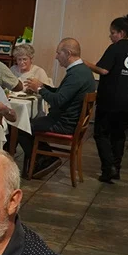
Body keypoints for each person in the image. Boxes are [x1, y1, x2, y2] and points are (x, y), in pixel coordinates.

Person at [85, 13, 128, 183]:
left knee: (101, 133)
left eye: (112, 33)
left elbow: (103, 70)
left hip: (110, 98)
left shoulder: (115, 48)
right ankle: (117, 168)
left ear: (121, 33)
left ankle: (108, 168)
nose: (111, 36)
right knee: (119, 134)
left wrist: (84, 63)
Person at [20, 38, 96, 179]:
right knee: (27, 123)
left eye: (58, 53)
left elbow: (58, 101)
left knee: (22, 126)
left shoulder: (76, 74)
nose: (56, 57)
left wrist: (39, 89)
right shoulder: (82, 71)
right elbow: (61, 93)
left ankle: (45, 160)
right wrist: (42, 86)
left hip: (64, 123)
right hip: (70, 120)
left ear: (68, 53)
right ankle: (43, 158)